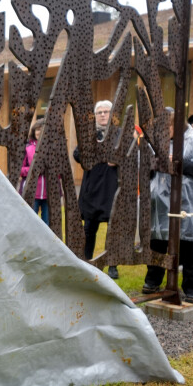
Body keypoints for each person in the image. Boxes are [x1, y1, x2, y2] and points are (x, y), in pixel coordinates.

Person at [142, 112, 193, 303]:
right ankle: (153, 281)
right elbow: (144, 171)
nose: (161, 132)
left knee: (191, 246)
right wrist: (154, 164)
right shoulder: (155, 145)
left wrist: (179, 163)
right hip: (161, 205)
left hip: (190, 204)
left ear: (177, 126)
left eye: (165, 128)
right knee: (158, 242)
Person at [74, 100, 120, 279]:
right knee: (89, 229)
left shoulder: (119, 133)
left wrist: (117, 159)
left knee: (113, 229)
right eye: (99, 112)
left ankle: (112, 265)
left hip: (112, 187)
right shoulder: (89, 134)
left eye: (106, 111)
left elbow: (130, 152)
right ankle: (87, 262)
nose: (102, 115)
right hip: (92, 188)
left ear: (112, 114)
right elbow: (77, 154)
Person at [20, 118, 48, 223]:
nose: (40, 132)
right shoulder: (27, 148)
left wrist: (49, 171)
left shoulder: (53, 148)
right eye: (37, 129)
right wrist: (34, 170)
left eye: (43, 129)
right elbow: (20, 170)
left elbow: (59, 172)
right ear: (33, 132)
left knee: (47, 225)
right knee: (31, 223)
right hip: (32, 192)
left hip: (49, 193)